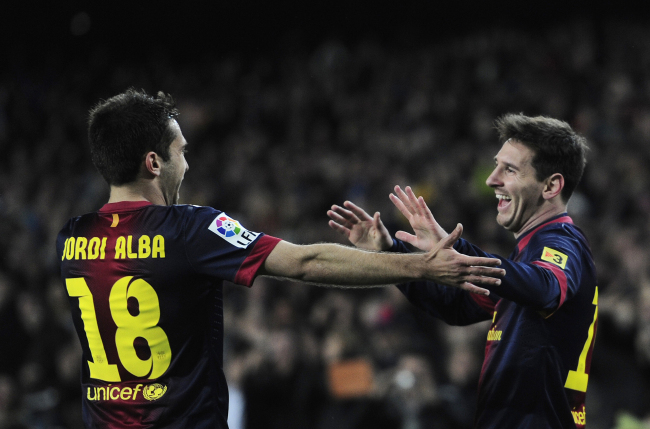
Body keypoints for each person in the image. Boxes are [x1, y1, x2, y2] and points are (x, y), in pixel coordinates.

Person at [56, 89, 505, 429]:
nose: (186, 165)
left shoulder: (70, 239)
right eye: (182, 152)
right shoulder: (188, 229)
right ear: (154, 163)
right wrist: (418, 265)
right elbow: (305, 262)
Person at [328, 114, 597, 428]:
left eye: (509, 169)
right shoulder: (527, 258)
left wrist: (459, 249)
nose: (491, 179)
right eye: (497, 165)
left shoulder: (562, 241)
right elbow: (455, 306)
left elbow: (545, 287)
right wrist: (392, 254)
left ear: (551, 185)